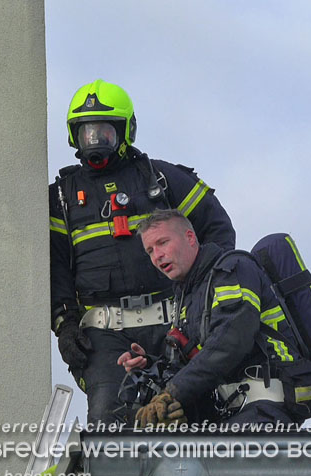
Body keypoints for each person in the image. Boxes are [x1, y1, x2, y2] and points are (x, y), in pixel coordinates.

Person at [49, 80, 235, 424]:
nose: (96, 142)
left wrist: (204, 296)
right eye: (88, 133)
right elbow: (56, 268)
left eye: (105, 133)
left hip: (175, 325)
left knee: (193, 416)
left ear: (125, 131)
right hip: (103, 337)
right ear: (74, 136)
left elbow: (218, 229)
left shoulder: (162, 178)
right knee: (111, 419)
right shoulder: (60, 198)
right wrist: (65, 324)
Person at [119, 209, 311, 428]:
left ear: (190, 238)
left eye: (162, 243)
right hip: (228, 415)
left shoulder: (232, 269)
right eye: (150, 251)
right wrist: (149, 366)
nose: (157, 256)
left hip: (265, 406)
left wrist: (174, 391)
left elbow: (230, 341)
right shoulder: (186, 296)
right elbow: (192, 361)